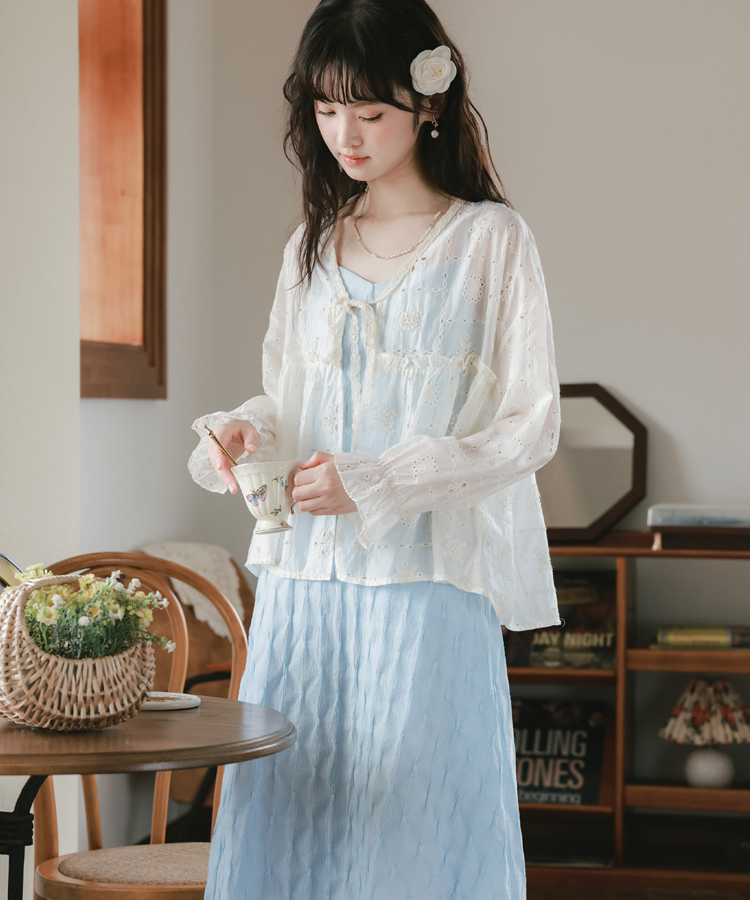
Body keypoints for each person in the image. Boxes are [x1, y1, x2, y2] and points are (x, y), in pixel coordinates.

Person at [188, 1, 560, 897]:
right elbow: (290, 397)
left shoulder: (490, 241)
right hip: (303, 582)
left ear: (428, 101)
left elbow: (528, 425)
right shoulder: (311, 246)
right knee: (291, 806)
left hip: (422, 577)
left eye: (368, 110)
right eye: (325, 109)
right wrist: (247, 430)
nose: (344, 135)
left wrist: (383, 480)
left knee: (411, 818)